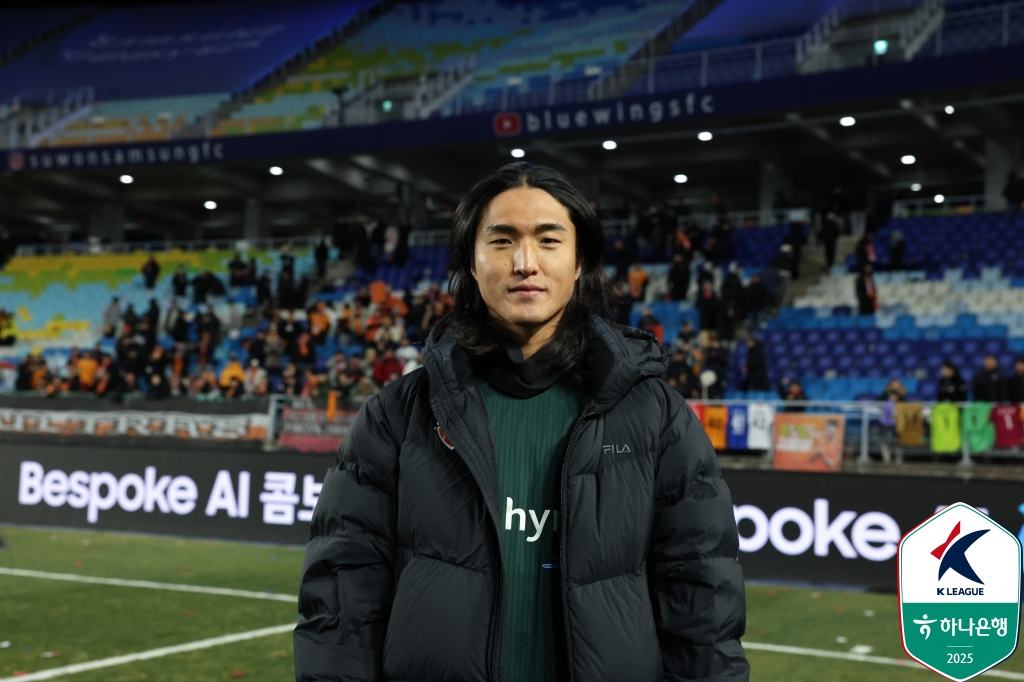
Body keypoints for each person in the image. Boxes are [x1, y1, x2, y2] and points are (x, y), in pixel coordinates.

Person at [295, 162, 748, 681]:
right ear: (471, 262)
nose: (525, 263)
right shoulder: (396, 416)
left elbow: (702, 610)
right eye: (502, 241)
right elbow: (341, 610)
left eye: (549, 241)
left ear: (579, 262)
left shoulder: (658, 417)